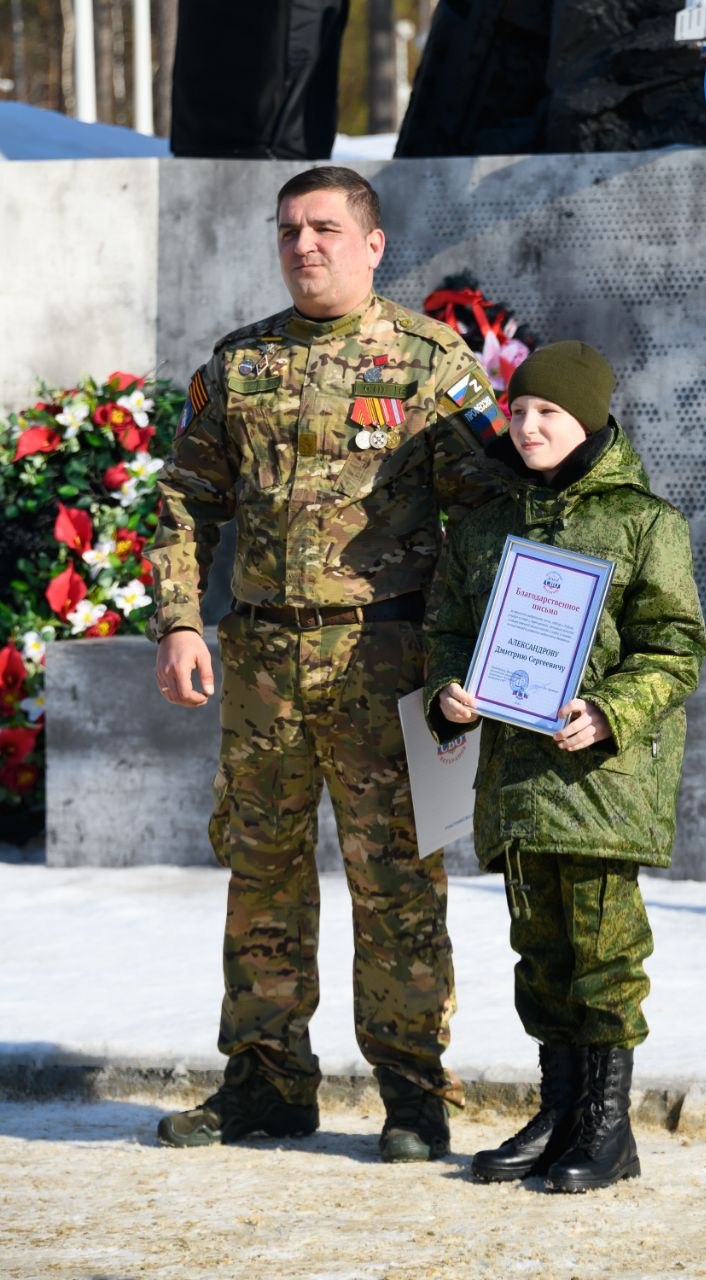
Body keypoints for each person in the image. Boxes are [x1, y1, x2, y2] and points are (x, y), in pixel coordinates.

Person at [148, 165, 509, 1161]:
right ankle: (266, 1081)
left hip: (386, 657)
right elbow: (184, 503)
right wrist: (181, 620)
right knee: (259, 872)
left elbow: (490, 516)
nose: (304, 244)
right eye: (289, 229)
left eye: (324, 228)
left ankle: (411, 1091)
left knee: (395, 877)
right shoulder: (240, 364)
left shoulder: (435, 365)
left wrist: (470, 657)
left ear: (373, 242)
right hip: (261, 658)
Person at [424, 341, 706, 1192]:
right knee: (539, 952)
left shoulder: (643, 523)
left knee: (603, 954)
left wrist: (609, 710)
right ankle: (558, 1115)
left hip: (597, 781)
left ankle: (606, 1130)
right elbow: (445, 631)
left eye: (547, 412)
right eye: (516, 412)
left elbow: (675, 645)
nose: (526, 426)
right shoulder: (482, 528)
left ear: (585, 421)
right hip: (514, 777)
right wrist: (449, 690)